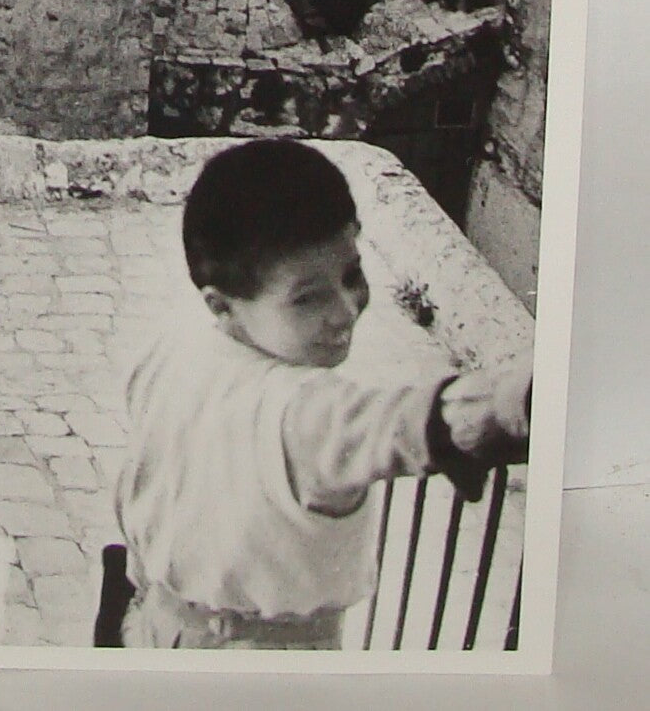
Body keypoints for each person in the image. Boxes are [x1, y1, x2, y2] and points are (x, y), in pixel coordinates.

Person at [108, 138, 531, 651]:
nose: (346, 310)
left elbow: (136, 489)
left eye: (352, 275)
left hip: (155, 630)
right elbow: (402, 422)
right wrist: (515, 401)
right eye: (308, 298)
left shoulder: (168, 355)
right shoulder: (304, 409)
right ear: (222, 305)